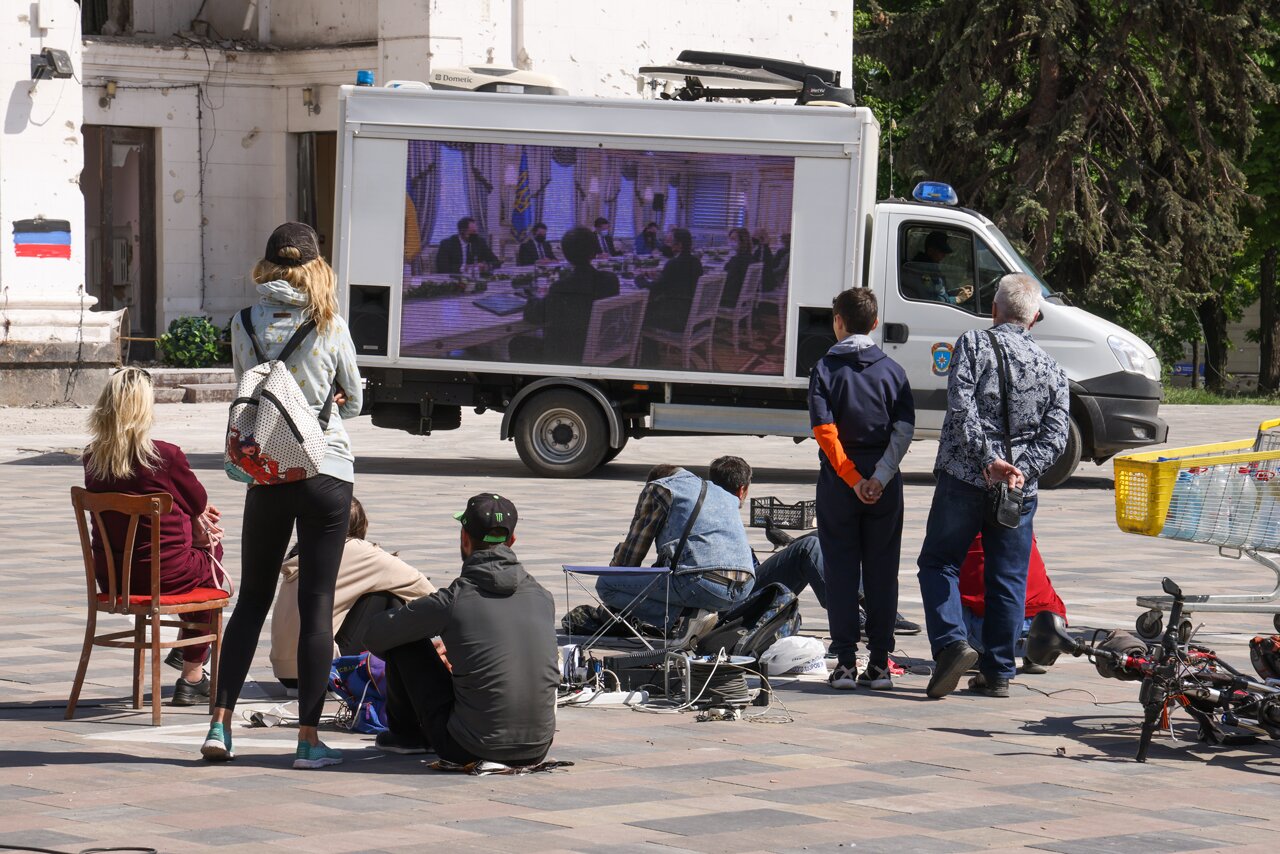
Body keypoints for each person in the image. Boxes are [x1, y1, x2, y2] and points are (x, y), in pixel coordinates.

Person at [204, 221, 363, 768]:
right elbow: (355, 401)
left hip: (267, 469)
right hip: (326, 470)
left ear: (269, 264)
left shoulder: (243, 322)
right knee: (318, 606)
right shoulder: (329, 323)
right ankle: (307, 740)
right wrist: (330, 398)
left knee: (252, 599)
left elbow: (248, 387)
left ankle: (220, 726)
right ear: (315, 266)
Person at [916, 273, 1069, 699]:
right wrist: (1020, 469)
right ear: (1035, 316)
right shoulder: (1053, 368)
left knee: (939, 563)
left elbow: (961, 408)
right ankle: (999, 672)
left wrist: (990, 461)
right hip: (1018, 491)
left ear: (994, 310)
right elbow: (1056, 437)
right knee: (1008, 578)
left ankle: (951, 645)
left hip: (965, 477)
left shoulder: (973, 343)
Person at [364, 494, 558, 767]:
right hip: (538, 747)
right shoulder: (543, 596)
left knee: (403, 640)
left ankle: (406, 736)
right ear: (512, 541)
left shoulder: (453, 600)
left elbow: (375, 634)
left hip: (468, 747)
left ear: (464, 538)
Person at [82, 367, 225, 706]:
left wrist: (192, 515)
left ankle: (189, 654)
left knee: (188, 536)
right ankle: (192, 672)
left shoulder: (92, 458)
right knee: (212, 559)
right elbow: (200, 501)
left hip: (113, 579)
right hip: (164, 575)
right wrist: (198, 523)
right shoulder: (166, 456)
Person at [809, 288, 915, 691]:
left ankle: (845, 665)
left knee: (840, 570)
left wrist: (852, 479)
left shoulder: (825, 370)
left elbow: (825, 431)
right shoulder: (893, 371)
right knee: (882, 572)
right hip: (884, 486)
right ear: (874, 324)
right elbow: (904, 431)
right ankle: (881, 665)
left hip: (839, 484)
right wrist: (880, 477)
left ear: (838, 321)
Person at [269, 496, 436, 690]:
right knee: (390, 596)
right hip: (324, 670)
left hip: (286, 671)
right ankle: (412, 678)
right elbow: (425, 591)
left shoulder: (303, 550)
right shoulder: (358, 551)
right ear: (360, 524)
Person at [599, 462, 755, 632]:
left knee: (606, 585)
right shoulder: (722, 493)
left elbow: (631, 557)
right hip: (745, 585)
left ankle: (684, 618)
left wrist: (617, 578)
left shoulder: (660, 488)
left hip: (701, 582)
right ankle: (695, 617)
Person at [959, 534, 1065, 674]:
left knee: (944, 583)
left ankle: (976, 653)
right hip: (1047, 633)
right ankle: (1033, 655)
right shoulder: (1024, 527)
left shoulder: (963, 530)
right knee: (1038, 586)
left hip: (990, 636)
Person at [514, 226, 621, 364]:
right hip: (603, 347)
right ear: (595, 253)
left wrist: (532, 298)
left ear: (566, 255)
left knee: (516, 342)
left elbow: (533, 316)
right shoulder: (611, 280)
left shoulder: (562, 287)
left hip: (567, 356)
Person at [640, 227, 704, 333]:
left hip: (676, 316)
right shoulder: (695, 261)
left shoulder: (673, 263)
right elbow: (678, 280)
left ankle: (648, 349)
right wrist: (660, 276)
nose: (667, 245)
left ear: (679, 245)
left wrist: (639, 278)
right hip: (691, 310)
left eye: (670, 242)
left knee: (640, 313)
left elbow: (653, 289)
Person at [907, 231, 968, 304]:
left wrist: (956, 292)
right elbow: (932, 300)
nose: (944, 255)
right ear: (930, 251)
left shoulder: (931, 267)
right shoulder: (922, 271)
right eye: (941, 252)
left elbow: (938, 292)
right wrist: (958, 299)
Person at [435, 216, 501, 274]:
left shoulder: (479, 241)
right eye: (473, 232)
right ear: (462, 232)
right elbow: (442, 268)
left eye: (476, 231)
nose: (476, 235)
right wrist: (465, 268)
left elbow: (496, 262)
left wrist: (485, 266)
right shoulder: (447, 244)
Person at [719, 228, 755, 309]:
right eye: (730, 238)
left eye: (733, 239)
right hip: (741, 299)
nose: (730, 241)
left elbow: (726, 278)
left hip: (731, 300)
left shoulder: (737, 260)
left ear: (742, 241)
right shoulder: (749, 257)